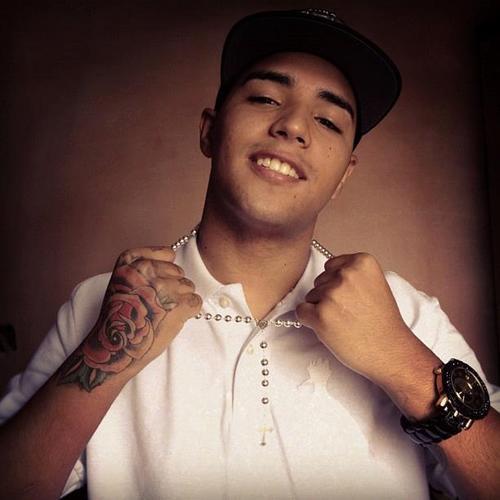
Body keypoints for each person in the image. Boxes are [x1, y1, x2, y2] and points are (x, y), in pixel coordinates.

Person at [1, 8, 499, 500]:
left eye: (328, 121)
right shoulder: (101, 305)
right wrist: (110, 352)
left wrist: (402, 362)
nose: (293, 126)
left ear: (344, 176)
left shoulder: (406, 315)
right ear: (209, 131)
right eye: (265, 98)